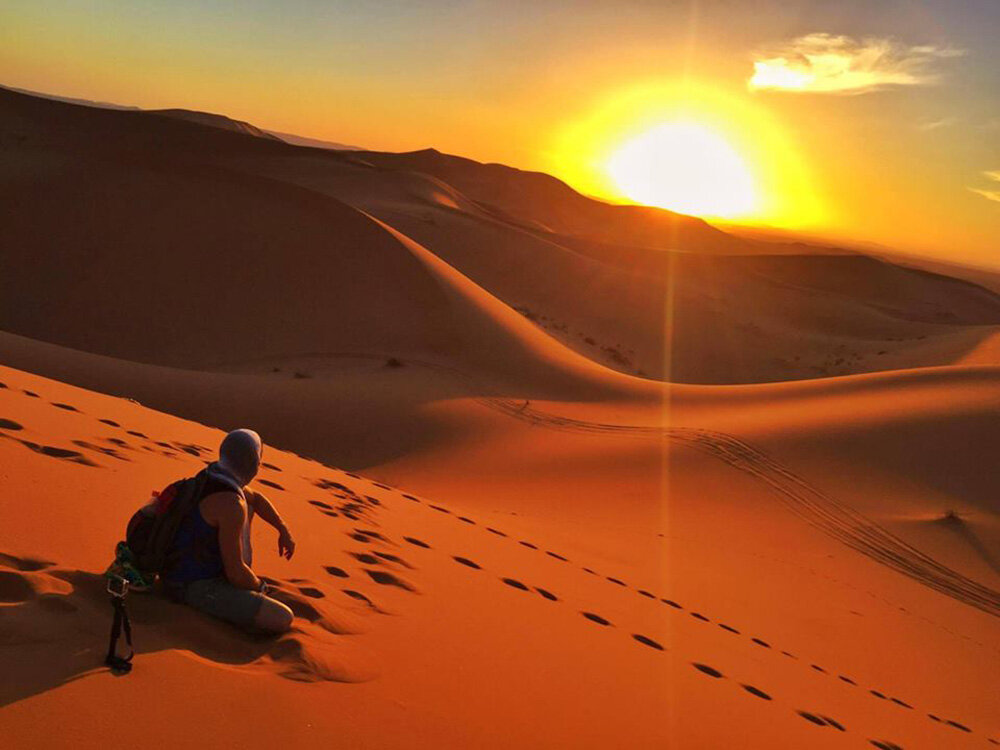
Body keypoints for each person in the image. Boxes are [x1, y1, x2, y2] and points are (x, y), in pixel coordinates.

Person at [162, 428, 296, 633]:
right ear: (254, 465)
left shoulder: (213, 476)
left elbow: (257, 499)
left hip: (176, 568)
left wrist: (282, 528)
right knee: (281, 617)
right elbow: (235, 573)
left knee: (249, 504)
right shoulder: (231, 504)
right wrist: (260, 587)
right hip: (191, 586)